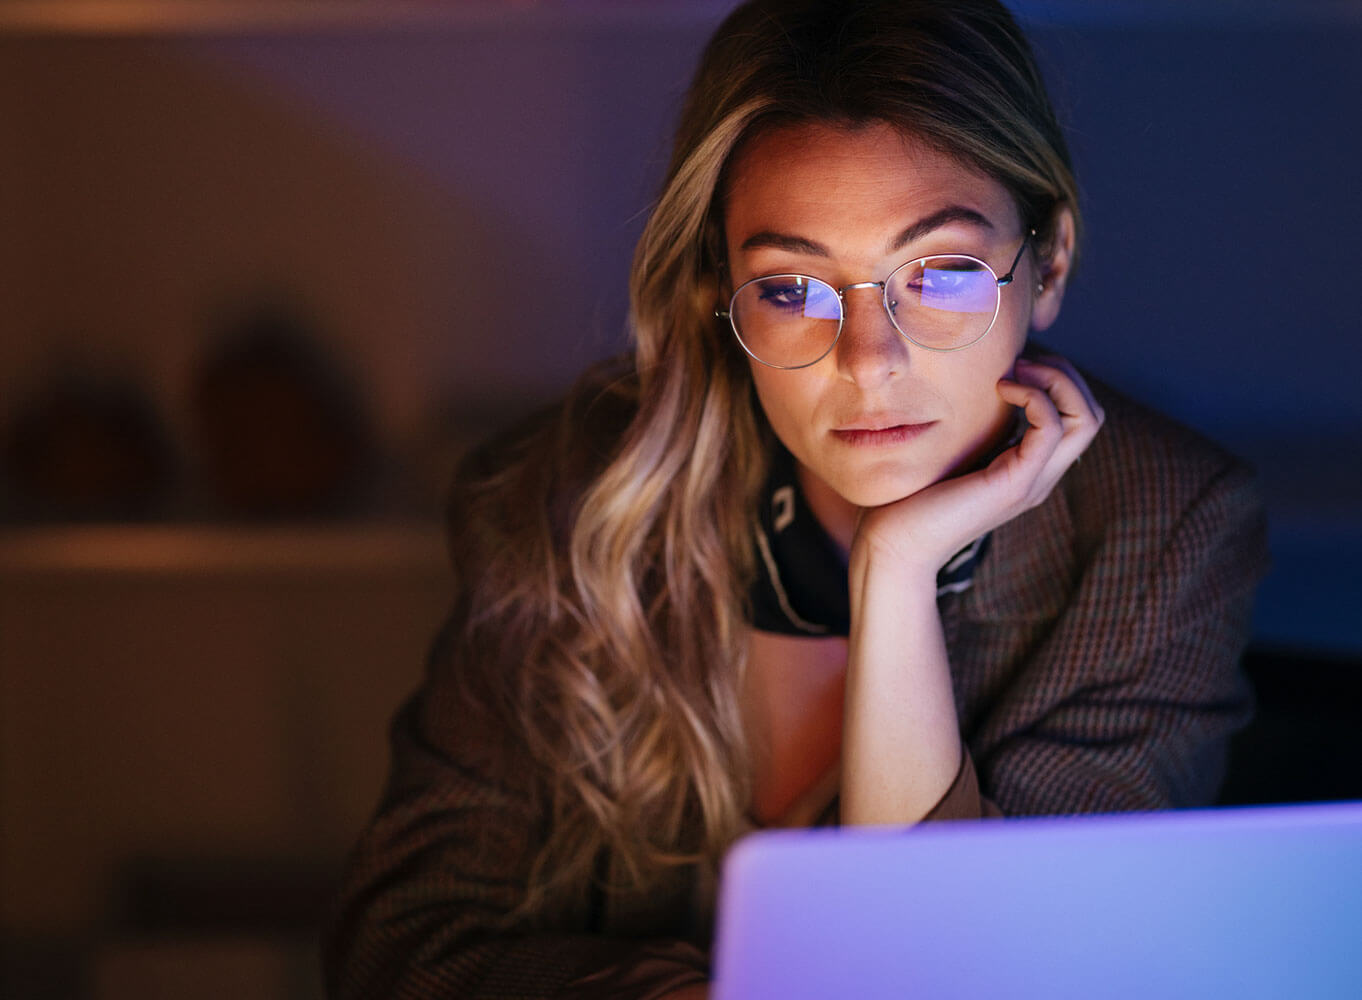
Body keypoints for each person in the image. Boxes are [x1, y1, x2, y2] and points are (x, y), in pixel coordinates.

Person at [324, 1, 1269, 997]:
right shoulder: (563, 499)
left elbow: (979, 973)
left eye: (939, 273)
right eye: (792, 288)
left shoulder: (1164, 526)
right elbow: (400, 943)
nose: (869, 362)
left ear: (1051, 264)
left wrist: (894, 573)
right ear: (719, 290)